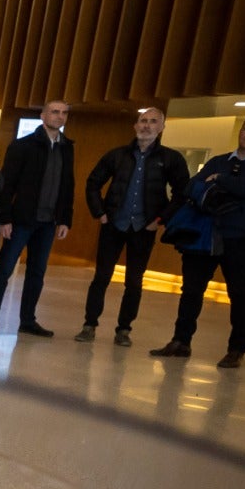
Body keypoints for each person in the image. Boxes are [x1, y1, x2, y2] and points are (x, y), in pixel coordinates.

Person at [150, 113, 245, 368]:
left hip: (241, 239)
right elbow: (192, 188)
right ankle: (180, 341)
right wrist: (236, 186)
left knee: (239, 293)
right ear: (241, 130)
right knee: (191, 290)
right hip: (204, 236)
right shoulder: (219, 161)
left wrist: (219, 180)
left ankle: (237, 349)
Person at [75, 108, 189, 347]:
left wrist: (159, 221)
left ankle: (124, 329)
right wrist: (100, 213)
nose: (147, 126)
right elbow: (93, 183)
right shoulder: (117, 155)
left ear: (161, 127)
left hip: (143, 228)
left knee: (134, 281)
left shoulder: (171, 159)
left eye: (153, 122)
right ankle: (89, 325)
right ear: (136, 125)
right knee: (101, 277)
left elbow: (182, 194)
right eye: (143, 121)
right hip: (113, 224)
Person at [0, 100, 74, 336]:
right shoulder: (22, 146)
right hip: (21, 221)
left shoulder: (67, 147)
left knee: (37, 273)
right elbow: (7, 185)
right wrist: (5, 218)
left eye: (63, 113)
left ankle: (28, 321)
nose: (59, 116)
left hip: (48, 223)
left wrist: (65, 219)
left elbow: (68, 185)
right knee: (4, 271)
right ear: (43, 116)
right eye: (54, 112)